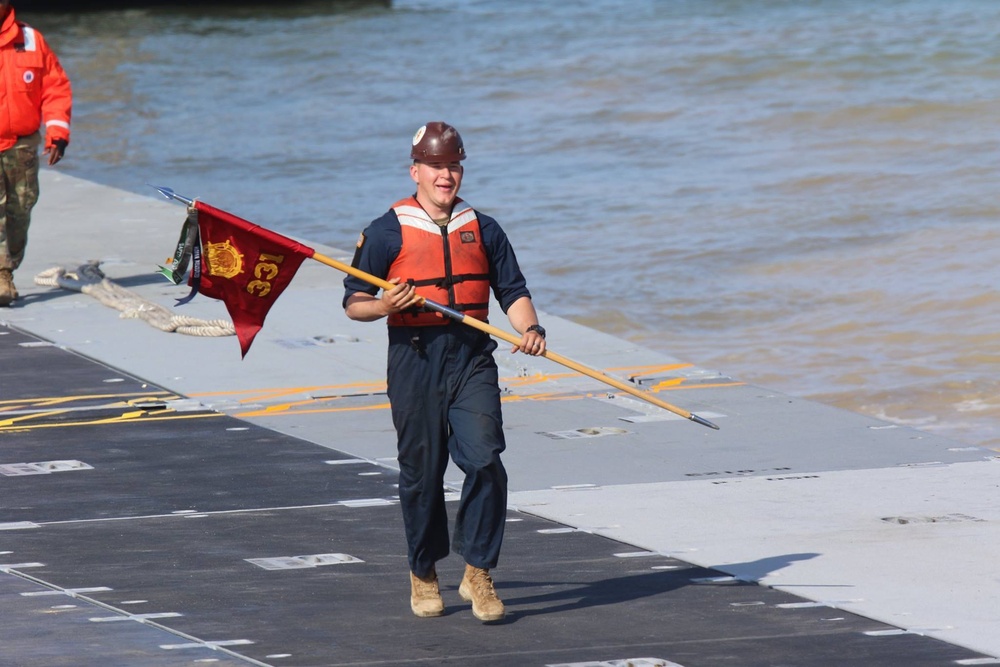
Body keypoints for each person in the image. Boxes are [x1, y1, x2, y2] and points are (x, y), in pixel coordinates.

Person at [343, 121, 547, 622]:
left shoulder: (486, 228)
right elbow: (354, 303)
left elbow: (512, 291)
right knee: (422, 473)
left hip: (472, 358)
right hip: (414, 358)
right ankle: (423, 570)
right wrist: (386, 302)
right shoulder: (386, 230)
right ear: (416, 170)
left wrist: (531, 328)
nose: (445, 175)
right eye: (436, 166)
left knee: (484, 460)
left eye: (453, 165)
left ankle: (478, 571)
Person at [0, 0, 72, 306]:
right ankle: (1, 274)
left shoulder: (31, 40)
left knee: (21, 208)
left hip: (22, 144)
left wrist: (58, 133)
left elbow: (55, 88)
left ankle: (8, 267)